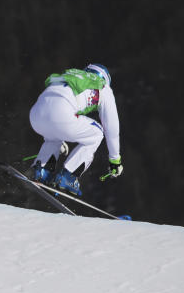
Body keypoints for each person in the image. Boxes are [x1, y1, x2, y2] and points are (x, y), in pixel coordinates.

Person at [28, 63, 123, 196]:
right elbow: (111, 126)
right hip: (60, 116)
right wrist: (115, 160)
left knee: (54, 136)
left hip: (35, 116)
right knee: (97, 133)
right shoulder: (103, 87)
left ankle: (41, 170)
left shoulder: (68, 75)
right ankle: (68, 176)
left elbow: (51, 109)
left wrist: (56, 137)